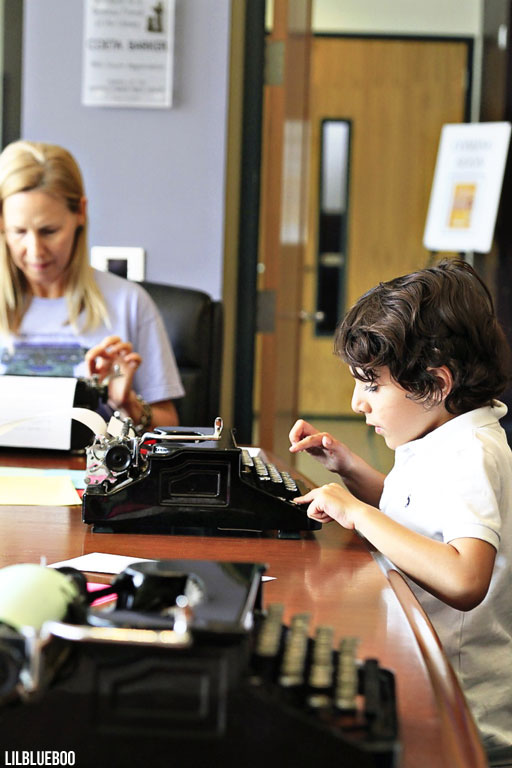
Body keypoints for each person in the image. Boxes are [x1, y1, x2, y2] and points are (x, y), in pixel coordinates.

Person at [289, 259, 512, 766]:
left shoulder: (470, 453)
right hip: (426, 679)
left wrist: (358, 515)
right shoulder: (443, 438)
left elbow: (464, 577)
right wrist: (349, 470)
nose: (357, 403)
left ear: (436, 384)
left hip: (463, 718)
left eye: (371, 385)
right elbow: (420, 514)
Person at [0, 140, 184, 431]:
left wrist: (128, 405)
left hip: (91, 474)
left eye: (49, 231)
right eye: (19, 232)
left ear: (80, 213)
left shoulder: (129, 303)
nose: (35, 250)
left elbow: (169, 426)